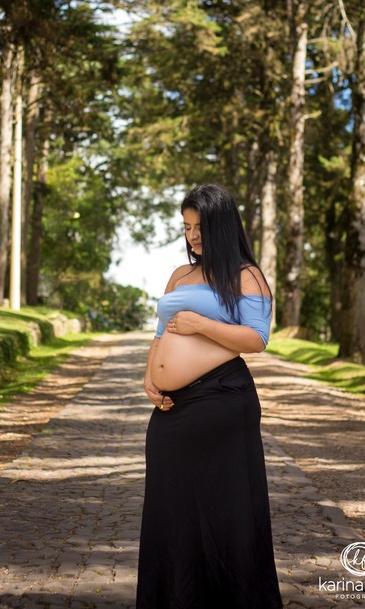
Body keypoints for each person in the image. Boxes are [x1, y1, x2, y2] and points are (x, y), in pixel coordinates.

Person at [136, 184, 282, 609]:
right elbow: (160, 333)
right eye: (186, 227)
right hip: (172, 412)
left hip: (222, 400)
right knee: (170, 510)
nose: (193, 235)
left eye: (200, 226)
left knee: (224, 513)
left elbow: (256, 338)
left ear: (222, 226)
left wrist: (200, 324)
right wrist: (151, 377)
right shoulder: (180, 275)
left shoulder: (246, 275)